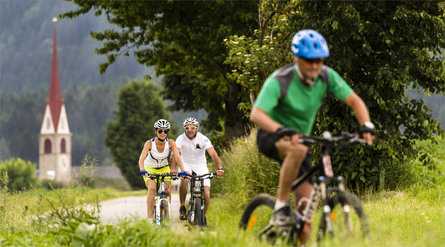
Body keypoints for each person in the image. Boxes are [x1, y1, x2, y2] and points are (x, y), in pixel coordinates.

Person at [249, 29, 376, 242]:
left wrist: (366, 125)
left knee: (304, 219)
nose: (315, 66)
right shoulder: (280, 79)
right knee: (297, 148)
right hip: (271, 135)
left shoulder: (326, 76)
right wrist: (281, 129)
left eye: (319, 61)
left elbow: (354, 100)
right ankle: (280, 206)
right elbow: (256, 114)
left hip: (301, 142)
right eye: (310, 61)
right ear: (297, 59)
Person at [173, 117, 224, 224]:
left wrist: (219, 168)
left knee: (206, 193)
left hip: (200, 165)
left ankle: (203, 217)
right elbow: (175, 154)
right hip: (185, 163)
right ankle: (182, 206)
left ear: (197, 128)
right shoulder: (180, 138)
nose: (190, 130)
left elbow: (213, 153)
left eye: (192, 127)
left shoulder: (203, 139)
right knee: (185, 180)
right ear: (184, 129)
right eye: (187, 128)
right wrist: (174, 168)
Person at [138, 119, 186, 221]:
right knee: (152, 189)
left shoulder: (171, 143)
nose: (163, 133)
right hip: (149, 168)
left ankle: (166, 210)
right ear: (156, 131)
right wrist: (142, 170)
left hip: (164, 168)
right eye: (160, 131)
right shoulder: (149, 143)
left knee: (167, 191)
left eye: (165, 131)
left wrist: (183, 170)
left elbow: (177, 157)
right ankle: (150, 218)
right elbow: (141, 158)